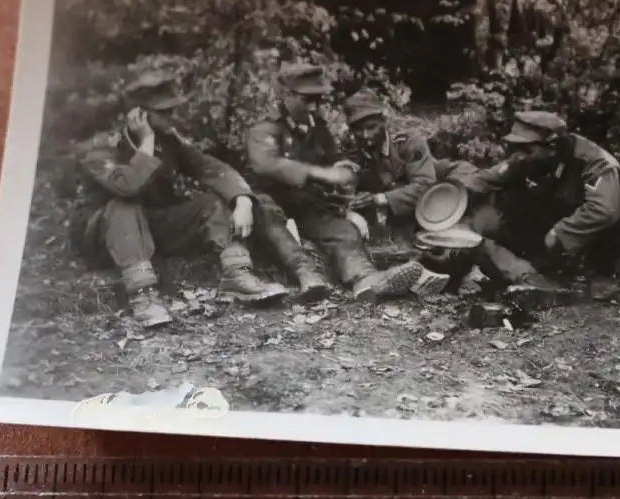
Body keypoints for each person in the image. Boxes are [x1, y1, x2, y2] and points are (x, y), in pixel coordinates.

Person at [68, 71, 327, 329]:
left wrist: (242, 200)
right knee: (123, 206)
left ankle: (237, 273)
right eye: (164, 112)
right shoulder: (103, 147)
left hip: (150, 228)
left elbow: (213, 169)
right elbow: (128, 186)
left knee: (212, 202)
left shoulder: (169, 141)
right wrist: (146, 140)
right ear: (139, 115)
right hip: (103, 234)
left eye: (172, 110)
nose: (172, 117)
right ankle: (143, 296)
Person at [245, 63, 451, 301]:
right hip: (267, 198)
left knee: (342, 230)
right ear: (287, 95)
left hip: (306, 201)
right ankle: (307, 274)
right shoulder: (265, 125)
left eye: (318, 100)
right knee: (269, 214)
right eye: (306, 99)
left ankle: (365, 279)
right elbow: (266, 165)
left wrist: (344, 170)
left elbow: (337, 158)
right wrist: (321, 174)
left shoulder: (316, 125)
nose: (314, 107)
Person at [458, 111, 620, 299]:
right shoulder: (529, 158)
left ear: (552, 147)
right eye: (516, 148)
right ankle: (550, 264)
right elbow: (484, 181)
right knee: (512, 195)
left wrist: (561, 232)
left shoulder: (592, 161)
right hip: (572, 211)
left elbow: (606, 210)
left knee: (617, 220)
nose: (518, 156)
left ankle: (602, 270)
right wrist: (448, 201)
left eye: (526, 150)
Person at [341, 89, 439, 238]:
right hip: (390, 200)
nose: (365, 135)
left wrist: (380, 199)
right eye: (358, 130)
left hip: (426, 204)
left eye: (371, 127)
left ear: (383, 121)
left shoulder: (409, 141)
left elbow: (426, 186)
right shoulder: (353, 144)